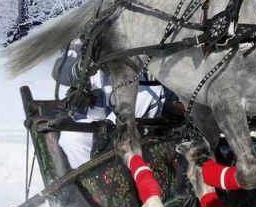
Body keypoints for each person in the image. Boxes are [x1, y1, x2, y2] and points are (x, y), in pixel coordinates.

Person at [51, 39, 180, 168]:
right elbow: (60, 70)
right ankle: (96, 180)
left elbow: (164, 73)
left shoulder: (132, 32)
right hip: (96, 118)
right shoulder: (81, 40)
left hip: (134, 111)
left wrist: (173, 100)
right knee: (70, 138)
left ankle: (124, 159)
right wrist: (82, 69)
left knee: (146, 95)